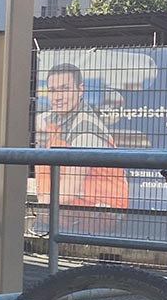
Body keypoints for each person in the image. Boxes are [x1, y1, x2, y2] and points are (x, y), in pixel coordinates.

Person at [36, 62, 129, 216]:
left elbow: (69, 191)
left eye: (65, 89)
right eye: (52, 91)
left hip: (101, 212)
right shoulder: (56, 116)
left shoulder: (85, 130)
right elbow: (40, 119)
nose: (57, 97)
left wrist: (34, 208)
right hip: (75, 208)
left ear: (80, 90)